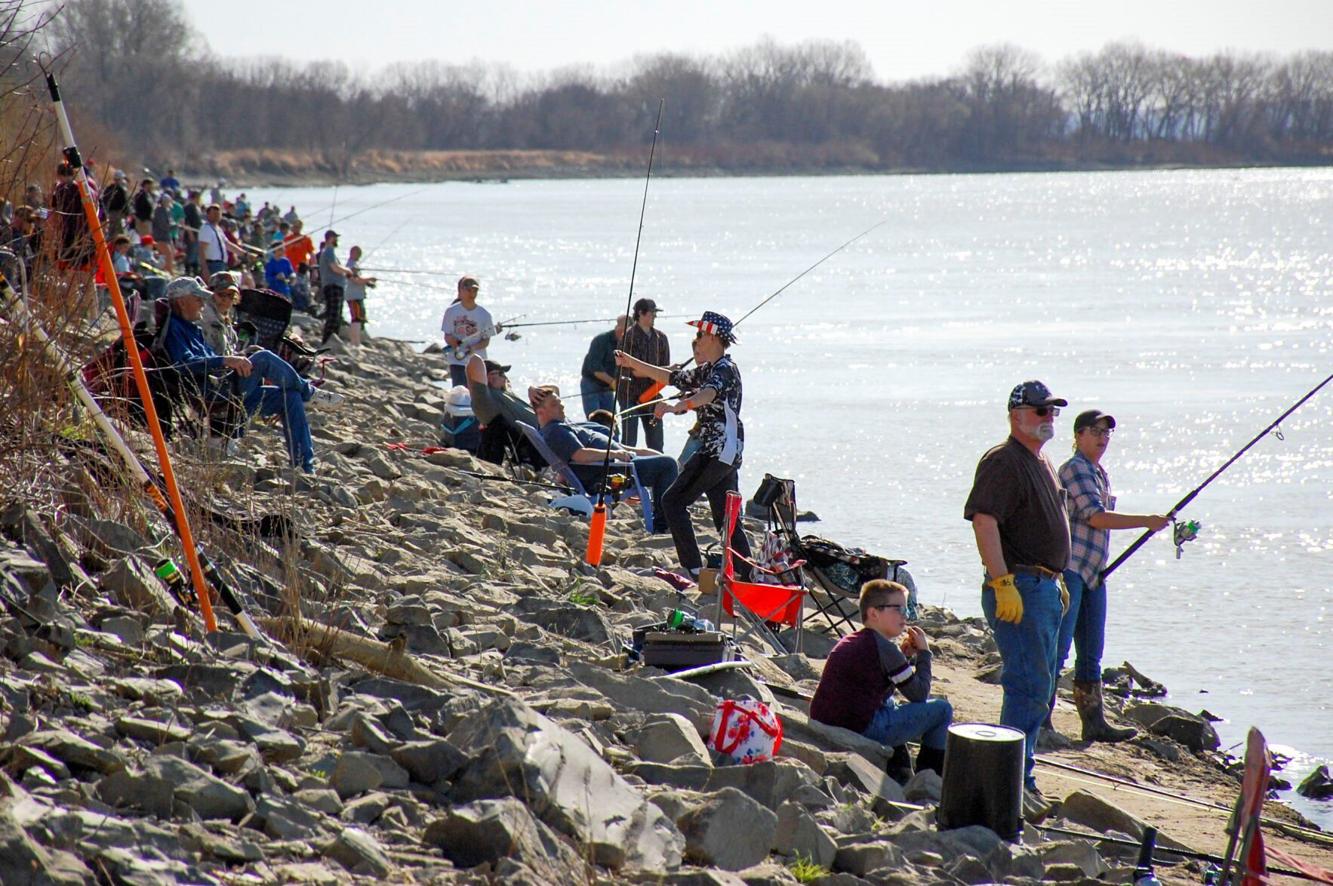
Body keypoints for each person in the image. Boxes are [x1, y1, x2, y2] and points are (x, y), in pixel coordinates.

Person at [963, 379, 1071, 806]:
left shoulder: (1040, 460)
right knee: (1028, 684)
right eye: (1041, 411)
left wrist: (1056, 579)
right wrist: (1001, 581)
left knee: (1039, 685)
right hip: (1020, 586)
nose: (1049, 419)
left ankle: (1020, 773)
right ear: (1017, 415)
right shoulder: (1004, 460)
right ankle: (1013, 783)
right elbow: (984, 520)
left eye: (1053, 412)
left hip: (1042, 585)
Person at [1057, 409, 1169, 742]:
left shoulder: (1099, 473)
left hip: (1094, 573)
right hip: (1071, 570)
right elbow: (1095, 517)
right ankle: (1042, 720)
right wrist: (1146, 520)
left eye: (1107, 433)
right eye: (1095, 432)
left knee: (1091, 651)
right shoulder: (1074, 469)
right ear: (1078, 435)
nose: (1102, 438)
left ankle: (1095, 724)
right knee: (1060, 650)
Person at [615, 310, 752, 578]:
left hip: (717, 450)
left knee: (673, 501)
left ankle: (693, 568)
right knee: (726, 520)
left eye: (700, 334)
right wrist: (630, 362)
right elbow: (671, 378)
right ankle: (749, 574)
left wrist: (681, 404)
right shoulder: (709, 369)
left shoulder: (724, 368)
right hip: (725, 452)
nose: (697, 339)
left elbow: (709, 393)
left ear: (712, 337)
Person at [159, 276, 341, 474]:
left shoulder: (191, 328)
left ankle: (305, 467)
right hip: (212, 391)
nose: (203, 303)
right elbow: (183, 364)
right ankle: (310, 392)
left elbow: (208, 358)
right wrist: (226, 360)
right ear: (182, 302)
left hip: (223, 385)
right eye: (197, 299)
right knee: (263, 358)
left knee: (290, 397)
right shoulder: (175, 329)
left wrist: (236, 357)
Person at [810, 579, 952, 777]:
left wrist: (906, 658)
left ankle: (899, 769)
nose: (906, 615)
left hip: (830, 718)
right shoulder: (884, 648)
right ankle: (930, 777)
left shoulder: (858, 639)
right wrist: (924, 654)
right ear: (874, 613)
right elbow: (919, 694)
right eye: (898, 609)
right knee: (942, 709)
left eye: (907, 609)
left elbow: (878, 687)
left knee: (890, 702)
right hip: (861, 726)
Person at [530, 385, 677, 533]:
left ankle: (663, 519)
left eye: (560, 402)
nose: (561, 406)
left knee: (666, 460)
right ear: (541, 412)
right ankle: (662, 524)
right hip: (610, 471)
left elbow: (553, 392)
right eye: (555, 404)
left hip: (618, 462)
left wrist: (532, 389)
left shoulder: (557, 424)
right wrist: (614, 454)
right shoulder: (555, 430)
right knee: (667, 465)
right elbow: (579, 455)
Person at [463, 355, 544, 467]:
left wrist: (532, 389)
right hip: (541, 443)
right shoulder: (485, 399)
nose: (505, 377)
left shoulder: (505, 394)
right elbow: (474, 360)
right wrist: (472, 341)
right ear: (488, 377)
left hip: (547, 429)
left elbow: (554, 391)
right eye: (500, 374)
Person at [618, 298, 670, 451]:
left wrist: (670, 371)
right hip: (629, 394)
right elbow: (635, 371)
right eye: (652, 313)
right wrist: (663, 372)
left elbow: (665, 371)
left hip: (652, 396)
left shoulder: (661, 338)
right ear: (641, 313)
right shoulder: (628, 337)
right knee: (628, 442)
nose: (654, 316)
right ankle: (624, 472)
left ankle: (657, 472)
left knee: (656, 445)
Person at [441, 275, 494, 387]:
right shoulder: (451, 311)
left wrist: (473, 348)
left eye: (474, 290)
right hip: (457, 361)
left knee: (477, 395)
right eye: (468, 289)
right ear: (460, 290)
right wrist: (458, 346)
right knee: (460, 393)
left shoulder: (484, 314)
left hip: (478, 363)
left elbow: (486, 341)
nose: (471, 293)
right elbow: (447, 336)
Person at [580, 314, 628, 418]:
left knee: (611, 421)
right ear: (617, 328)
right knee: (595, 419)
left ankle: (613, 434)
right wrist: (613, 382)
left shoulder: (627, 344)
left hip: (607, 388)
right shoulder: (601, 340)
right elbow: (596, 370)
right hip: (591, 384)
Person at [317, 230, 349, 344]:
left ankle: (332, 339)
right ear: (330, 238)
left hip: (334, 286)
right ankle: (328, 340)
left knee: (336, 315)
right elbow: (335, 267)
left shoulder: (328, 252)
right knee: (333, 315)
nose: (337, 240)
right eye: (335, 238)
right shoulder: (329, 251)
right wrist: (348, 271)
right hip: (333, 286)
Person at [342, 245, 377, 347]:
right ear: (353, 253)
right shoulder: (350, 265)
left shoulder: (354, 265)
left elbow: (359, 279)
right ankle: (355, 343)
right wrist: (370, 278)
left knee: (358, 318)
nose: (359, 256)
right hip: (353, 296)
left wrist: (368, 283)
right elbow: (356, 280)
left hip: (357, 296)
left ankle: (356, 342)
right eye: (358, 254)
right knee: (356, 318)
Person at [200, 271, 242, 356]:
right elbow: (215, 355)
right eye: (221, 294)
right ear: (209, 293)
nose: (226, 299)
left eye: (230, 295)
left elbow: (230, 350)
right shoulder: (207, 317)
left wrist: (245, 352)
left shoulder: (224, 315)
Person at [198, 204, 235, 277]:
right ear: (208, 215)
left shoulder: (218, 229)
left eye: (218, 213)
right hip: (212, 265)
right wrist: (205, 269)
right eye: (214, 214)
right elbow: (201, 250)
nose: (217, 216)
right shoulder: (206, 229)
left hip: (221, 264)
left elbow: (227, 244)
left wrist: (245, 254)